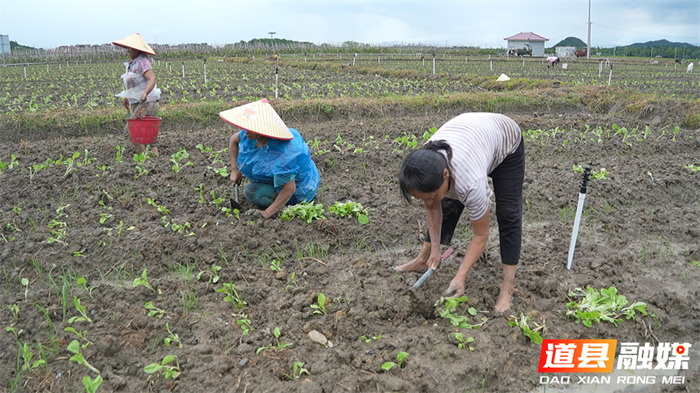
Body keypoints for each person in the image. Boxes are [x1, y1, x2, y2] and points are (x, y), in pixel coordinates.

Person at [395, 112, 525, 313]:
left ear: (446, 174)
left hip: (505, 141)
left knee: (508, 214)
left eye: (429, 195)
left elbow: (480, 234)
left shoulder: (470, 182)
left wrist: (461, 275)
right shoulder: (426, 164)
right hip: (473, 136)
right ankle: (423, 259)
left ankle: (507, 286)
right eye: (422, 198)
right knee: (444, 204)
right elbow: (432, 206)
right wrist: (435, 249)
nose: (427, 202)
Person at [220, 99, 321, 219]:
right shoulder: (250, 136)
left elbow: (289, 188)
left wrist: (266, 213)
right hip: (282, 180)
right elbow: (233, 140)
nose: (246, 131)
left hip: (300, 188)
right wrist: (234, 169)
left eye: (250, 127)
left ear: (263, 128)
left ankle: (283, 205)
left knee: (251, 192)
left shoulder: (281, 153)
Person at [112, 33, 161, 155]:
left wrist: (145, 93)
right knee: (146, 135)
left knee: (131, 131)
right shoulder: (133, 63)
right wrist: (127, 97)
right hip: (137, 102)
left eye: (130, 48)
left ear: (137, 49)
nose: (128, 51)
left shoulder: (142, 61)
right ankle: (153, 162)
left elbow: (152, 79)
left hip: (146, 102)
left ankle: (143, 161)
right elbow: (134, 83)